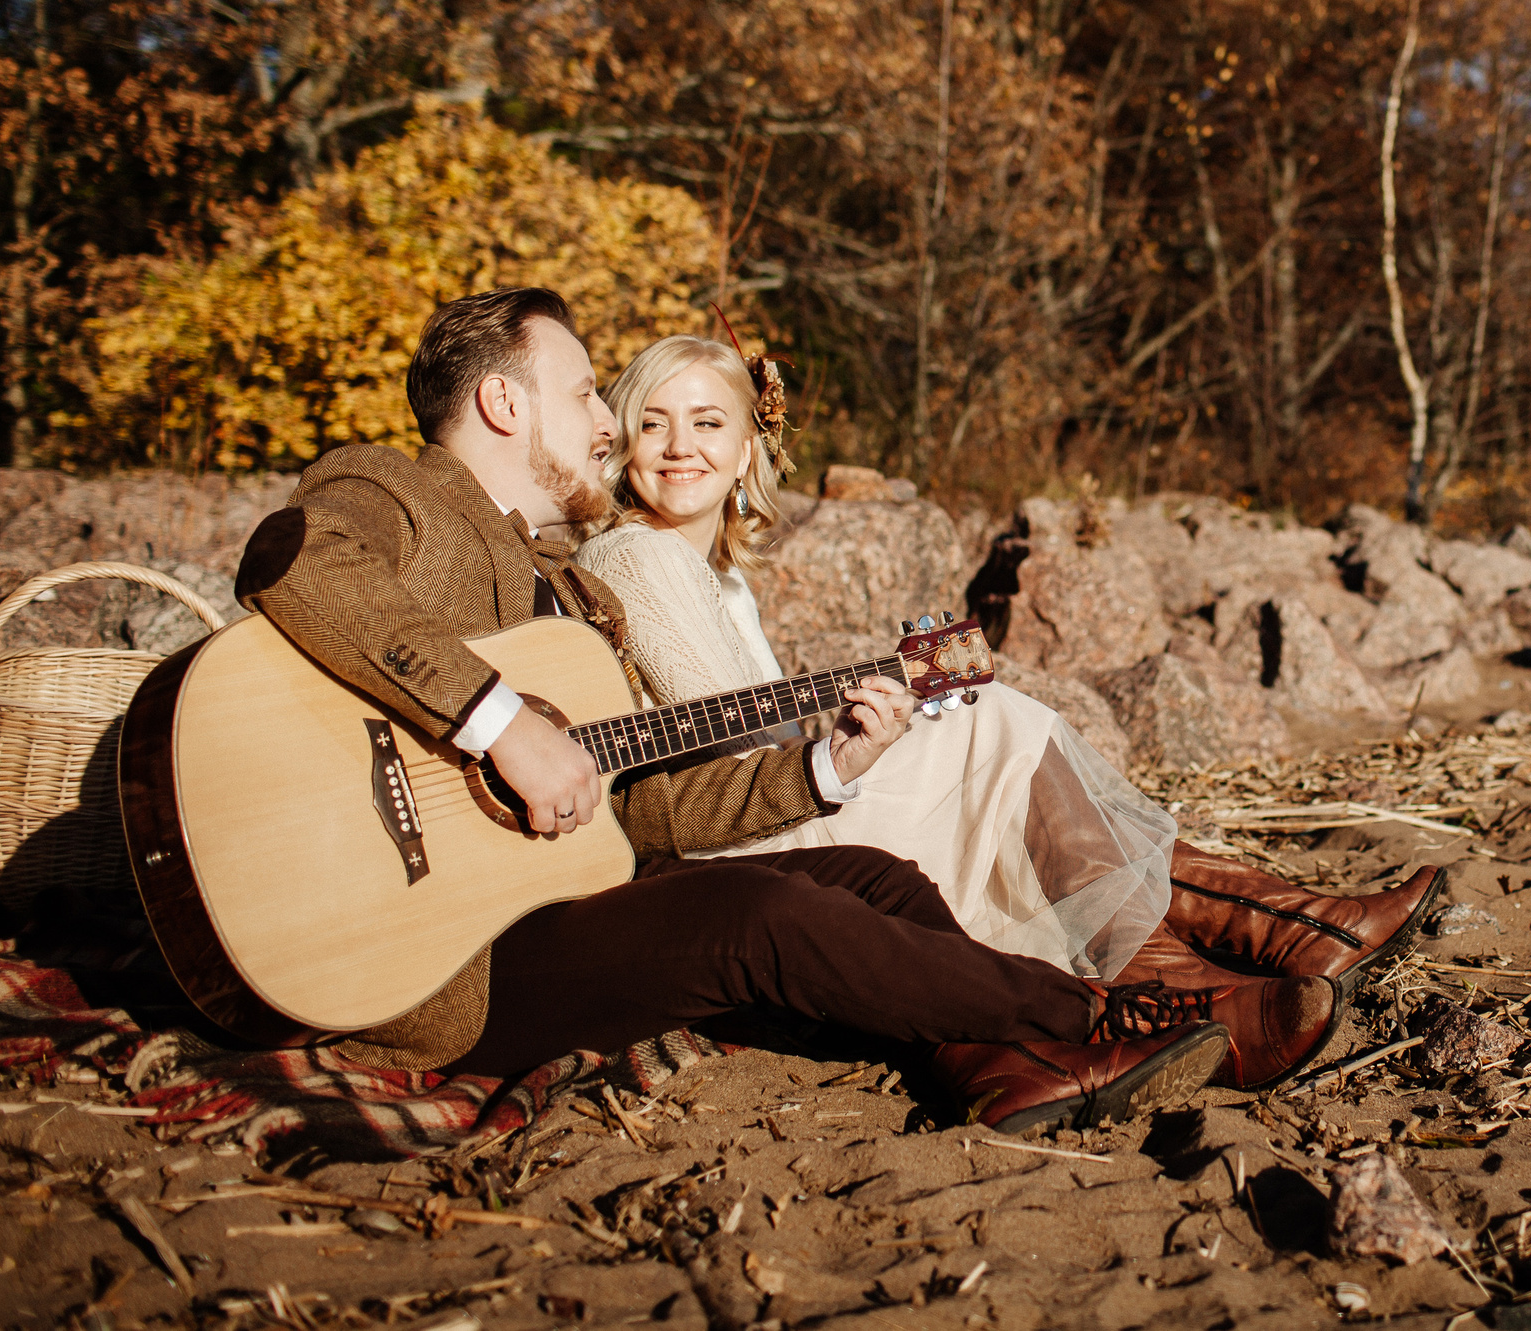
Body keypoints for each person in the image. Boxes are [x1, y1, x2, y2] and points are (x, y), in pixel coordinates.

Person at [232, 287, 1240, 1136]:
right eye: (585, 391)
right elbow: (300, 560)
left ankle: (1002, 1067)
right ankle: (1096, 1015)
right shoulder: (397, 494)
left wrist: (824, 770)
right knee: (760, 916)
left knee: (871, 876)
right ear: (501, 400)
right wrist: (500, 725)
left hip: (554, 897)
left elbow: (635, 811)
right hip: (443, 954)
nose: (604, 422)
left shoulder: (572, 599)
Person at [569, 333, 1448, 1092]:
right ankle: (1237, 958)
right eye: (654, 422)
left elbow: (758, 730)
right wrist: (854, 741)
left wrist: (869, 725)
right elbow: (725, 739)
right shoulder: (638, 556)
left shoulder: (715, 573)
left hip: (771, 806)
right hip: (732, 846)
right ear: (622, 442)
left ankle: (1225, 964)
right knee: (993, 727)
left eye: (708, 422)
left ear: (744, 449)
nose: (680, 445)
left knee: (985, 737)